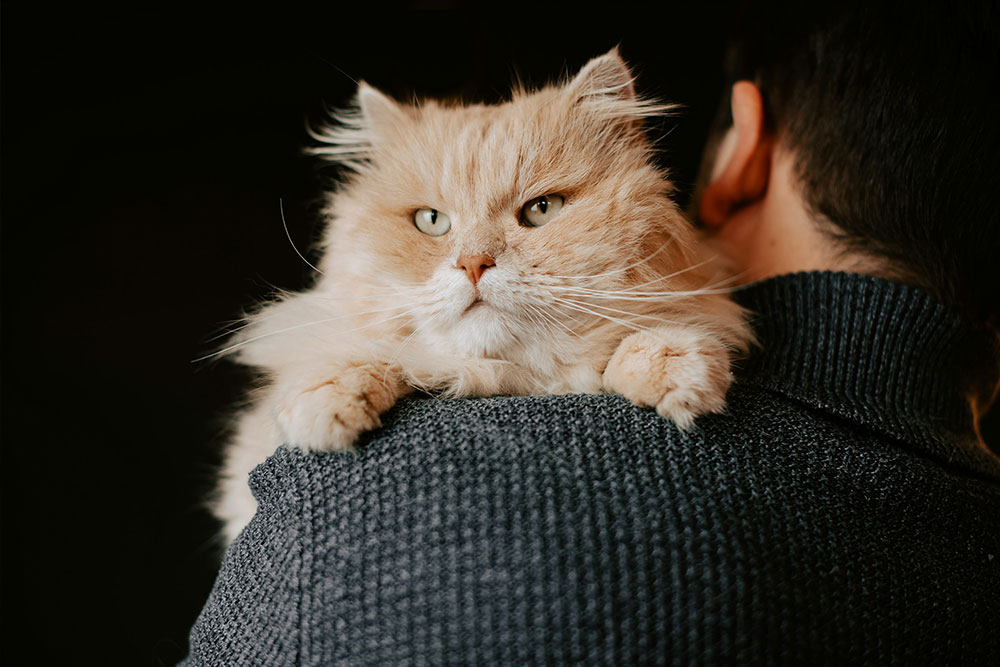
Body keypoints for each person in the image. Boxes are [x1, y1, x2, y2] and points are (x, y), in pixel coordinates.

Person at [181, 4, 1000, 665]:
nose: (473, 259)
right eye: (428, 220)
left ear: (744, 147)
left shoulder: (363, 513)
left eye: (539, 207)